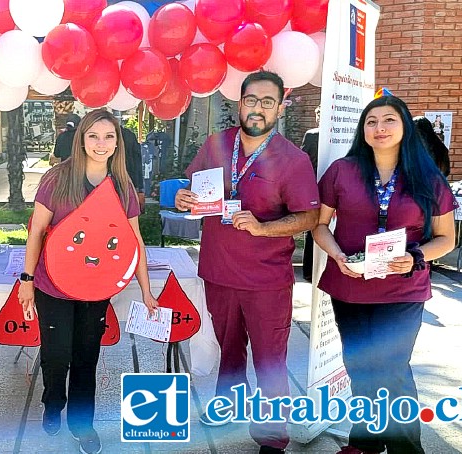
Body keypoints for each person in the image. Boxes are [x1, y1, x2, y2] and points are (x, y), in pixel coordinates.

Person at [175, 71, 320, 454]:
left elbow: (308, 218)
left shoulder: (293, 159)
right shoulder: (216, 144)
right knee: (230, 350)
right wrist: (184, 198)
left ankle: (272, 439)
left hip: (266, 280)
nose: (258, 109)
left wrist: (262, 228)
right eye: (251, 100)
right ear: (240, 103)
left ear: (279, 107)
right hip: (218, 272)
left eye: (267, 102)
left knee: (270, 360)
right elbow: (192, 189)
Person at [312, 93, 457, 454]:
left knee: (392, 369)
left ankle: (407, 449)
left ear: (404, 126)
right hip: (351, 286)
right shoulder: (342, 172)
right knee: (359, 366)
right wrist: (338, 254)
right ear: (362, 130)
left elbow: (447, 239)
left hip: (402, 290)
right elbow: (319, 226)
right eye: (371, 121)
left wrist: (416, 256)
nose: (380, 128)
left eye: (389, 119)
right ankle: (364, 442)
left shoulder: (427, 178)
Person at [18, 109, 159, 454]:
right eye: (93, 136)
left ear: (117, 143)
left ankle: (83, 424)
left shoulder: (122, 185)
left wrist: (146, 289)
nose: (101, 143)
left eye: (108, 136)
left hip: (96, 288)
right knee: (56, 354)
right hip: (53, 286)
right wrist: (27, 279)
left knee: (86, 357)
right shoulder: (58, 178)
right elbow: (36, 230)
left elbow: (134, 241)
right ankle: (53, 402)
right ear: (81, 139)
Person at [300, 105, 321, 282]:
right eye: (317, 114)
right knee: (314, 228)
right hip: (315, 188)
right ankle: (309, 270)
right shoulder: (313, 135)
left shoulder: (313, 135)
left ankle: (310, 271)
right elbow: (303, 159)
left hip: (321, 187)